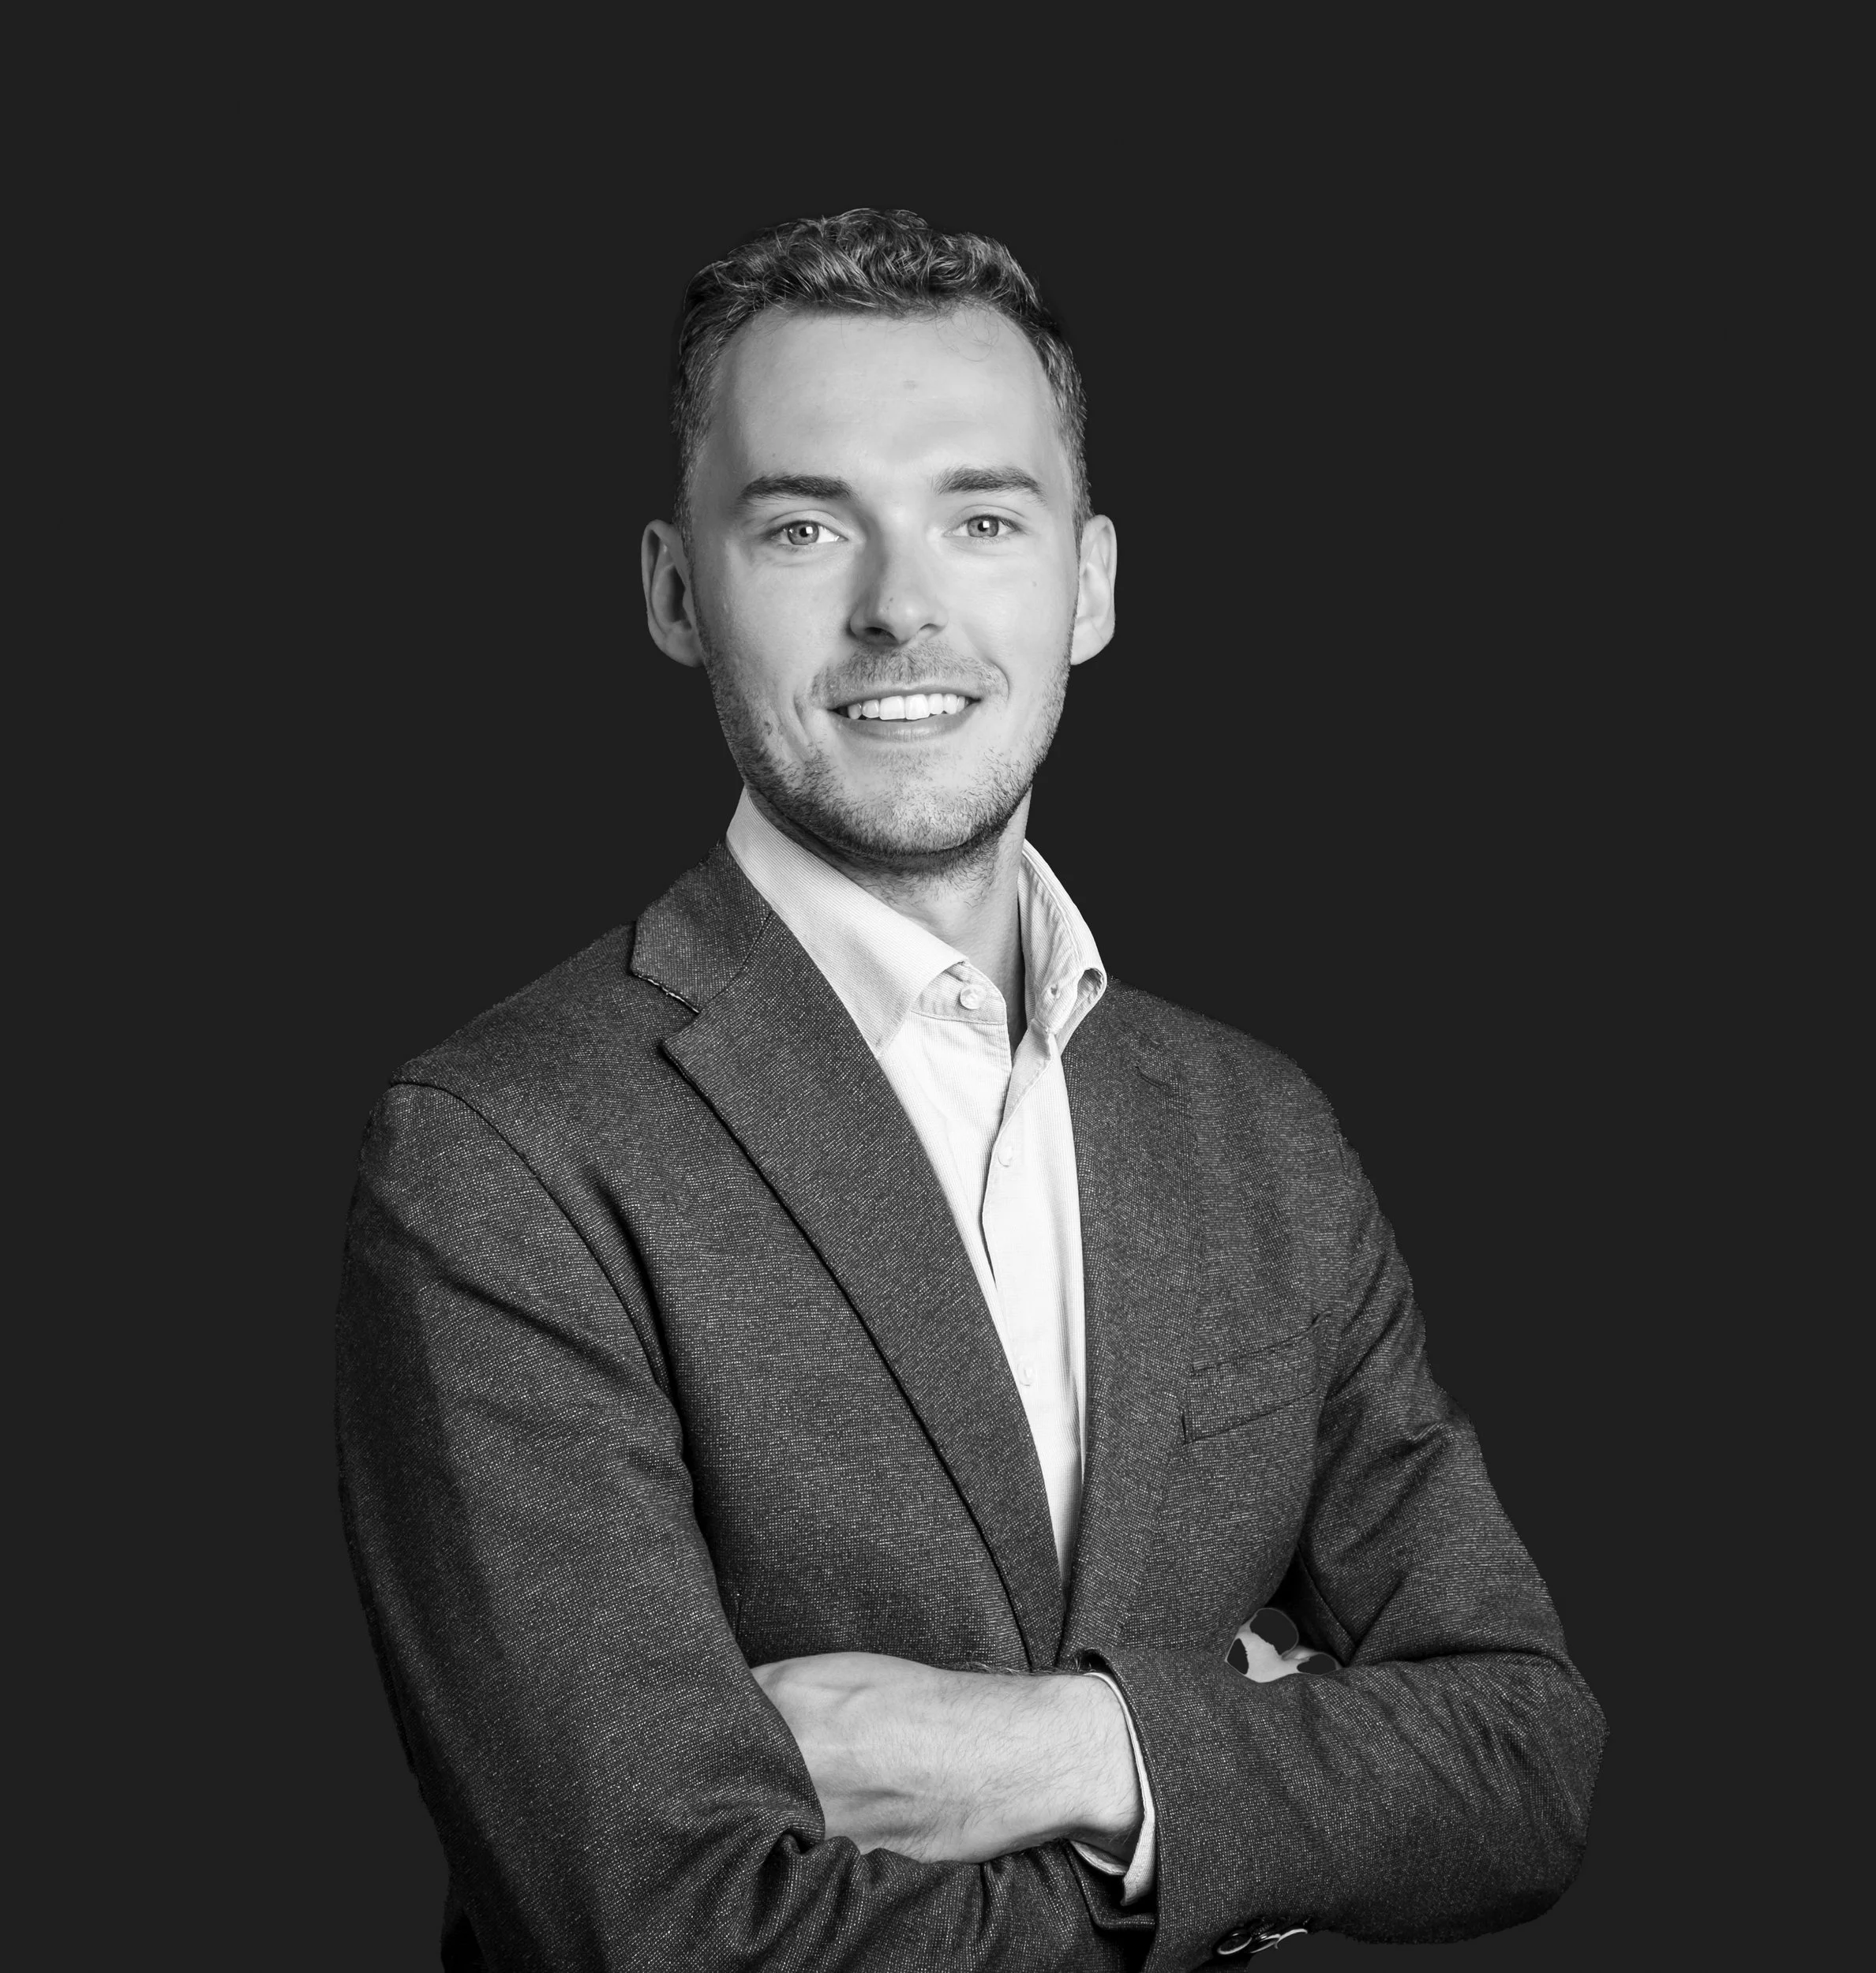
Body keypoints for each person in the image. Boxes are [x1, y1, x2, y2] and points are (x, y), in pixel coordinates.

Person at [335, 207, 1605, 1971]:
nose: (899, 608)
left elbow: (1523, 1757)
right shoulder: (502, 1151)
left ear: (1085, 583)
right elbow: (667, 1926)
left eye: (980, 518)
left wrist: (1073, 1750)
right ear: (671, 590)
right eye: (799, 526)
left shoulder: (1256, 1130)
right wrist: (1244, 1831)